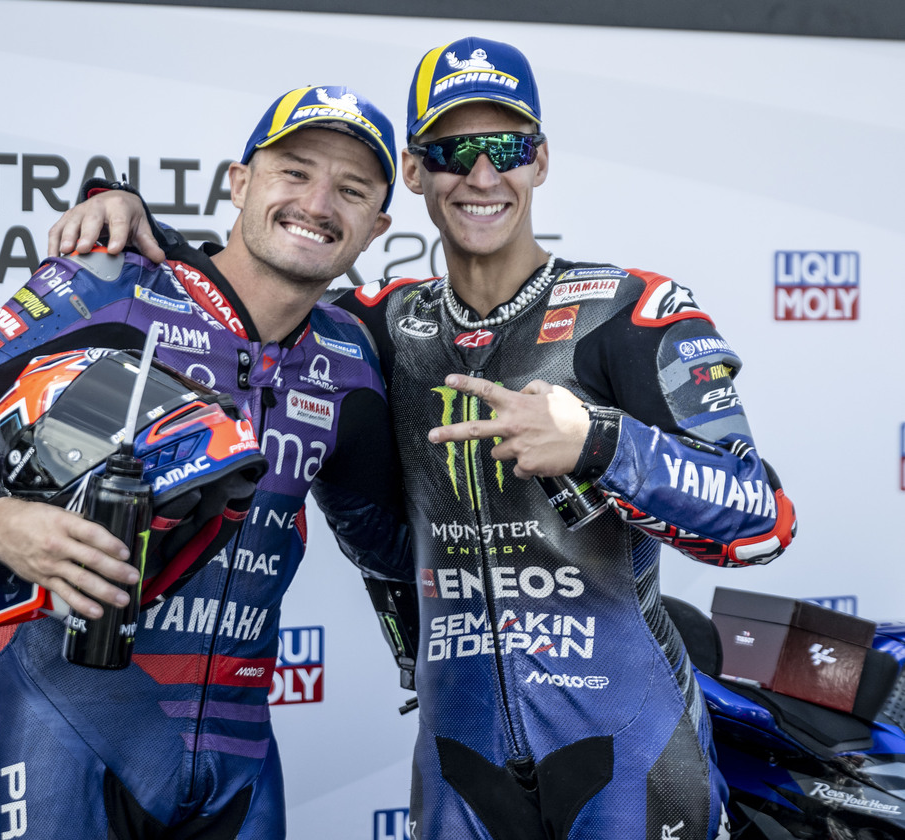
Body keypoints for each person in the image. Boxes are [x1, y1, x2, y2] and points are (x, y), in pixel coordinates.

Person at [55, 37, 799, 840]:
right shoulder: (373, 327)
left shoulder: (628, 312)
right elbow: (251, 285)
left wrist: (599, 443)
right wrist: (126, 212)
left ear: (540, 161)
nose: (480, 176)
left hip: (633, 756)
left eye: (505, 149)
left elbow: (763, 521)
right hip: (459, 763)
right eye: (451, 152)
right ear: (414, 173)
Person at [0, 84, 409, 840]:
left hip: (239, 759)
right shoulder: (113, 288)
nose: (318, 203)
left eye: (351, 189)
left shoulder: (350, 356)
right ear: (239, 183)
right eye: (294, 172)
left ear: (377, 225)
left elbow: (389, 542)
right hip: (67, 732)